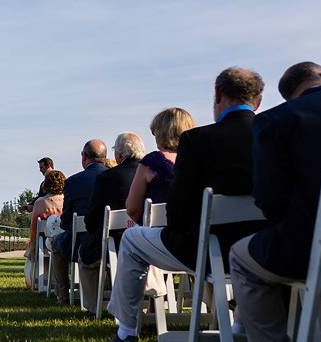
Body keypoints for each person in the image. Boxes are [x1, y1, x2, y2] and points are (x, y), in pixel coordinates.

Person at [107, 67, 265, 342]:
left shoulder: (198, 140)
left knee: (132, 240)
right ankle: (239, 327)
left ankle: (126, 331)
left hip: (203, 250)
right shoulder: (272, 134)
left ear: (217, 95)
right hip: (261, 249)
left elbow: (177, 210)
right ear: (259, 100)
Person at [230, 62, 321, 341]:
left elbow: (270, 201)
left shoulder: (276, 120)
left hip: (317, 252)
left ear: (288, 96)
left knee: (240, 258)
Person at [78, 132, 145, 314]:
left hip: (114, 245)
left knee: (84, 255)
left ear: (119, 155)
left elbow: (92, 218)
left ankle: (92, 307)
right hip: (148, 242)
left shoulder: (107, 178)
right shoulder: (151, 174)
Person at [51, 139, 108, 307]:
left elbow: (66, 221)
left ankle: (63, 295)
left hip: (80, 243)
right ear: (105, 157)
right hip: (110, 242)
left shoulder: (73, 182)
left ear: (84, 158)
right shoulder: (113, 177)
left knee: (55, 243)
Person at [125, 108, 195, 222]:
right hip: (198, 233)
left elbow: (132, 210)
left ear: (162, 133)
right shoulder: (199, 159)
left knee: (128, 235)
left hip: (164, 234)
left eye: (155, 132)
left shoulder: (152, 161)